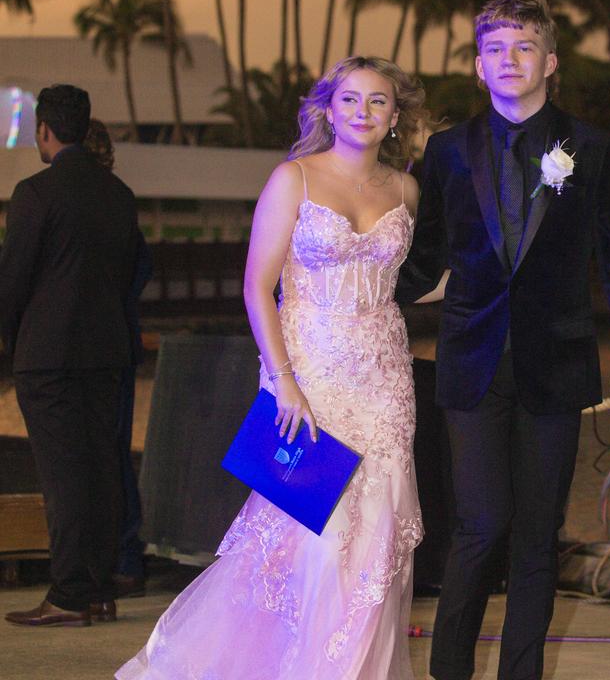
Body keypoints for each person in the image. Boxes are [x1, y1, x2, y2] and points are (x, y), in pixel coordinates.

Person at [117, 55, 429, 680]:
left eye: (377, 102)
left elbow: (393, 284)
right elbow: (259, 287)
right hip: (308, 376)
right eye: (350, 100)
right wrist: (284, 380)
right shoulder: (295, 179)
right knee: (312, 538)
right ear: (328, 108)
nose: (363, 112)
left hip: (385, 380)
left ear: (396, 116)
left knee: (378, 539)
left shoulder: (406, 189)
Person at [396, 0, 610, 680]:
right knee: (480, 526)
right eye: (494, 50)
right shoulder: (448, 152)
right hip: (470, 365)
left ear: (549, 61)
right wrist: (339, 305)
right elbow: (423, 260)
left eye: (521, 47)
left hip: (556, 365)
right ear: (480, 68)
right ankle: (449, 671)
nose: (507, 60)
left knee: (537, 539)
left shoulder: (594, 150)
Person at [0, 86, 140, 628]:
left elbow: (14, 279)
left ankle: (68, 593)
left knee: (62, 477)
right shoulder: (118, 194)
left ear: (44, 130)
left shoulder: (35, 193)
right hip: (106, 350)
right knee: (102, 469)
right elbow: (126, 273)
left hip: (49, 355)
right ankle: (100, 589)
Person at [83, 118, 153, 597]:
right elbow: (142, 267)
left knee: (92, 455)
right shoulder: (120, 200)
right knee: (115, 454)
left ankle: (116, 558)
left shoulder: (86, 201)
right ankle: (126, 557)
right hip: (121, 342)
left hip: (91, 345)